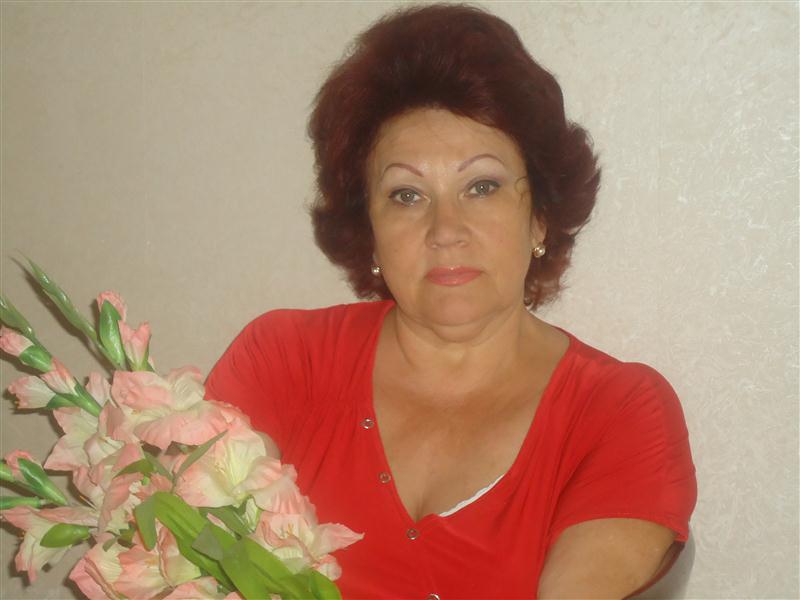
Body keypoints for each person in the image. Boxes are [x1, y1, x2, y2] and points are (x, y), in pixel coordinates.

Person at [205, 4, 697, 598]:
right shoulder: (284, 362)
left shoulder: (619, 414)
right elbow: (189, 560)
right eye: (407, 195)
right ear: (370, 231)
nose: (445, 230)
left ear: (539, 217)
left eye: (482, 187)